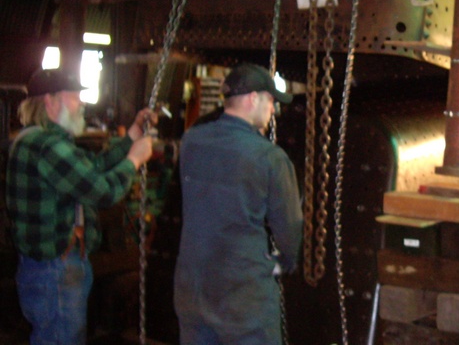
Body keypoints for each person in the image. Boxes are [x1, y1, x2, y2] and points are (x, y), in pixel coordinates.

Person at [5, 68, 155, 345]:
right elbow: (104, 191)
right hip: (55, 270)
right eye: (74, 97)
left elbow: (93, 168)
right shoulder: (47, 147)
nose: (82, 104)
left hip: (47, 267)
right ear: (50, 102)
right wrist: (134, 160)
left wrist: (133, 134)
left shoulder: (35, 139)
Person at [174, 63, 303, 345]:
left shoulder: (191, 140)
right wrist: (286, 261)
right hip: (242, 295)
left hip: (192, 287)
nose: (273, 109)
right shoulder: (270, 157)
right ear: (252, 99)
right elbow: (289, 226)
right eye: (270, 101)